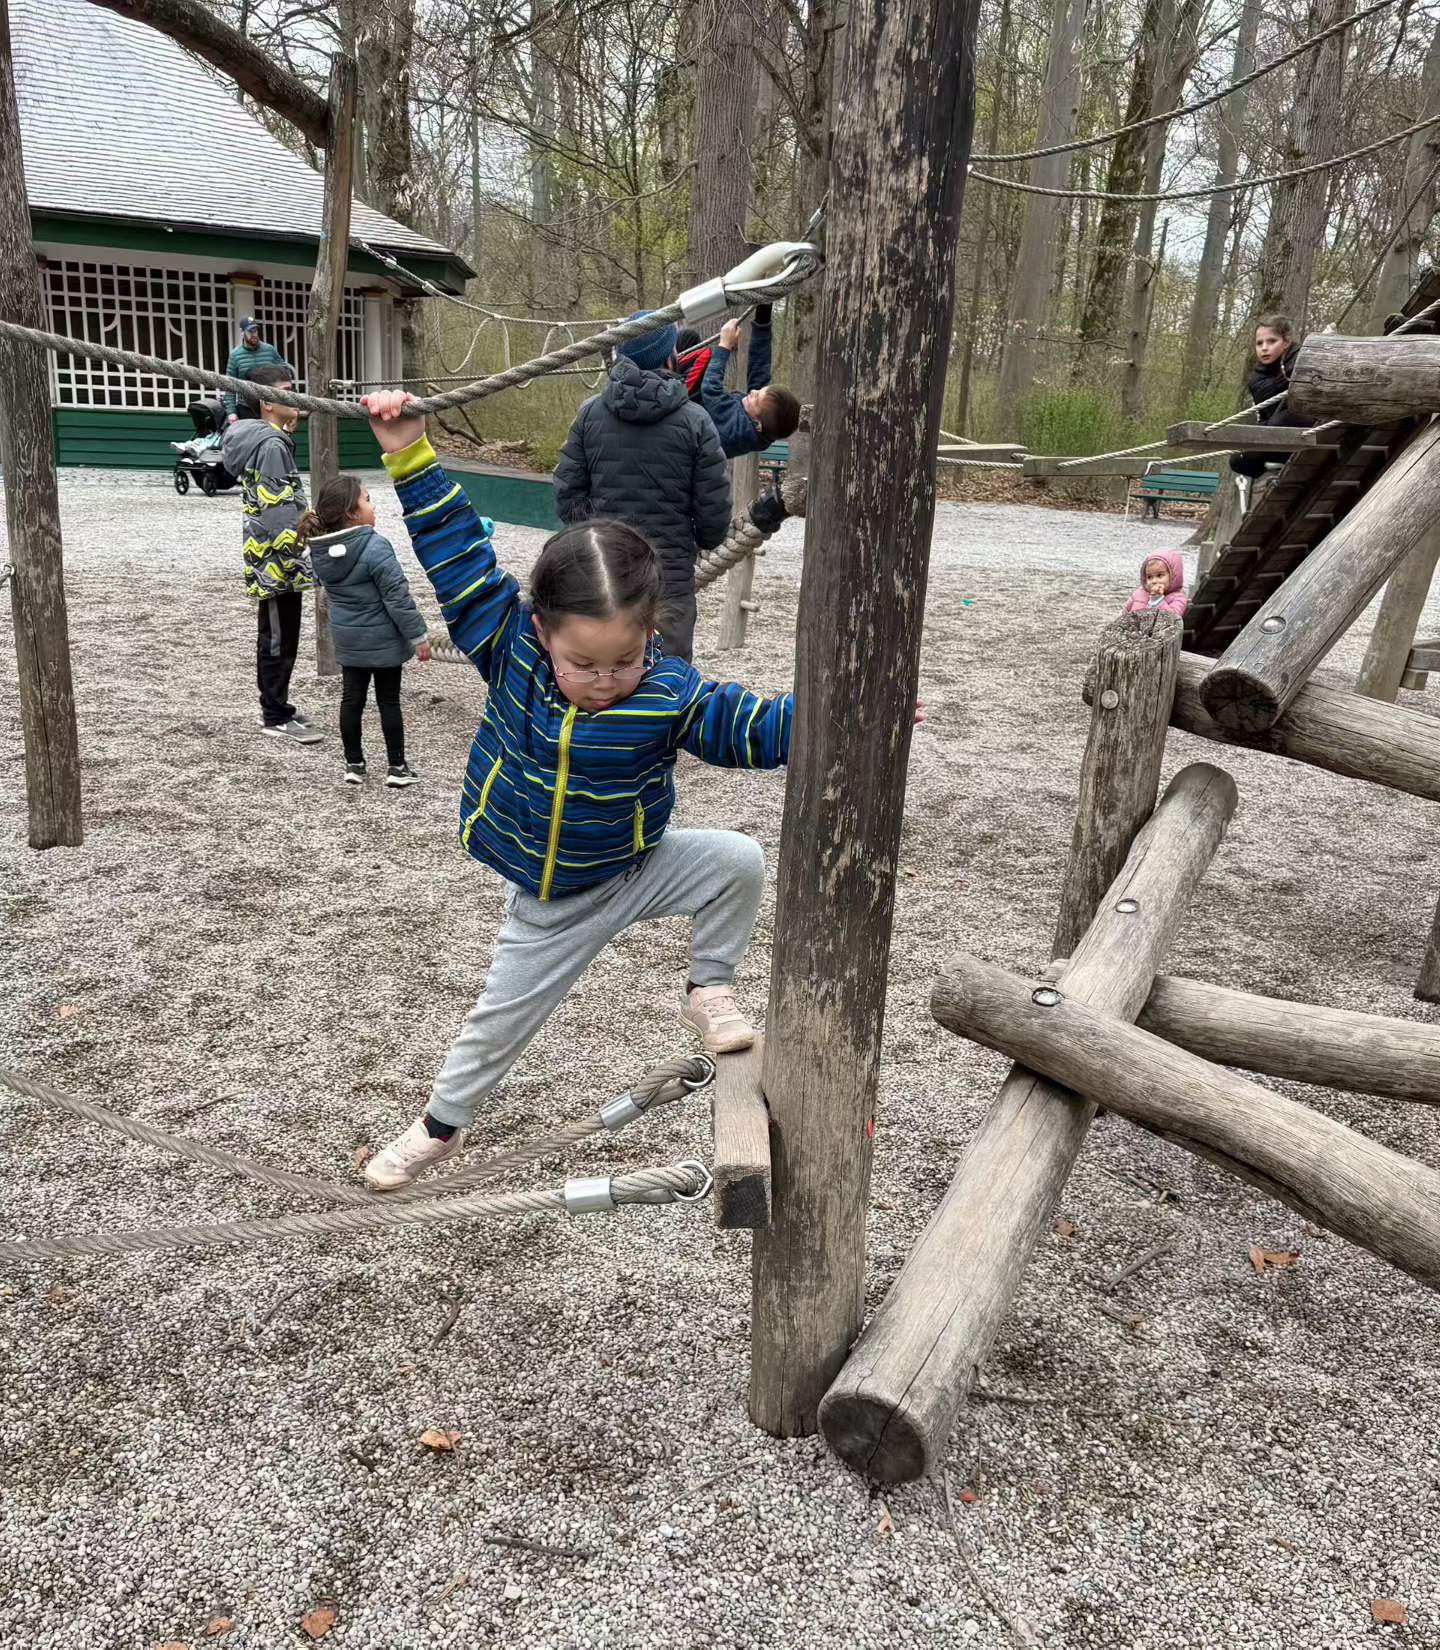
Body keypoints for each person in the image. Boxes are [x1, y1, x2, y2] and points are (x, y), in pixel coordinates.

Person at [357, 387, 795, 1189]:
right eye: (582, 662)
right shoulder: (507, 645)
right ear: (541, 631)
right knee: (499, 1021)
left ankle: (709, 987)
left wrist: (845, 716)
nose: (604, 679)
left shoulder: (669, 692)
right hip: (551, 896)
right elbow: (454, 551)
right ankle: (437, 1129)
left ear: (651, 633)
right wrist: (409, 452)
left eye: (623, 660)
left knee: (737, 860)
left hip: (635, 864)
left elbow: (755, 727)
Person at [552, 312, 731, 664]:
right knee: (666, 681)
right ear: (669, 355)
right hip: (668, 581)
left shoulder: (590, 415)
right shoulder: (696, 421)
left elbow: (567, 500)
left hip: (605, 575)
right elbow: (714, 520)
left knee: (604, 677)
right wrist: (690, 540)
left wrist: (598, 532)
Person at [299, 475, 433, 787]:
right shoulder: (375, 546)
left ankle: (354, 764)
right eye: (367, 500)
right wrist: (418, 636)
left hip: (349, 640)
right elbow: (397, 598)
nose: (373, 506)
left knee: (352, 699)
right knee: (388, 700)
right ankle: (397, 767)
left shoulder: (319, 551)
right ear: (351, 512)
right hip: (383, 641)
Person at [221, 364, 322, 744]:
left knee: (279, 631)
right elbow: (277, 509)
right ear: (267, 402)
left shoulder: (268, 440)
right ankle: (275, 714)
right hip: (277, 559)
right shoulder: (271, 445)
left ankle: (278, 706)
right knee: (279, 636)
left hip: (267, 552)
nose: (294, 397)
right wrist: (299, 556)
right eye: (286, 390)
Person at [699, 309, 802, 460]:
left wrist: (724, 346)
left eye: (756, 399)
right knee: (690, 338)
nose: (753, 392)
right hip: (695, 410)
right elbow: (759, 369)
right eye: (759, 392)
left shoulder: (736, 431)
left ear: (758, 424)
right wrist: (763, 319)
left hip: (682, 430)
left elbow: (710, 390)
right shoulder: (759, 423)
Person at [1228, 314, 1313, 487]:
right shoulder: (1257, 378)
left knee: (1280, 421)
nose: (1264, 348)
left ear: (1286, 342)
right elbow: (1268, 398)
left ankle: (1279, 461)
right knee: (1237, 459)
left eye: (1271, 341)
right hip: (1276, 431)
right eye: (1259, 343)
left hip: (1310, 425)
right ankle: (1275, 465)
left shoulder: (1303, 358)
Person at [224, 317, 293, 424]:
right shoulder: (235, 355)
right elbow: (229, 385)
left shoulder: (269, 350)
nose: (254, 334)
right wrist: (231, 412)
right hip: (246, 408)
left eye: (255, 330)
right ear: (242, 332)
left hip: (269, 405)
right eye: (250, 331)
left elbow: (285, 372)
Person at [1122, 551, 1188, 619]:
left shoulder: (1178, 598)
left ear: (1173, 576)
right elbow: (1124, 614)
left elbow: (1172, 620)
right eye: (1149, 577)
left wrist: (1157, 600)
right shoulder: (1139, 593)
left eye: (1159, 575)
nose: (1154, 581)